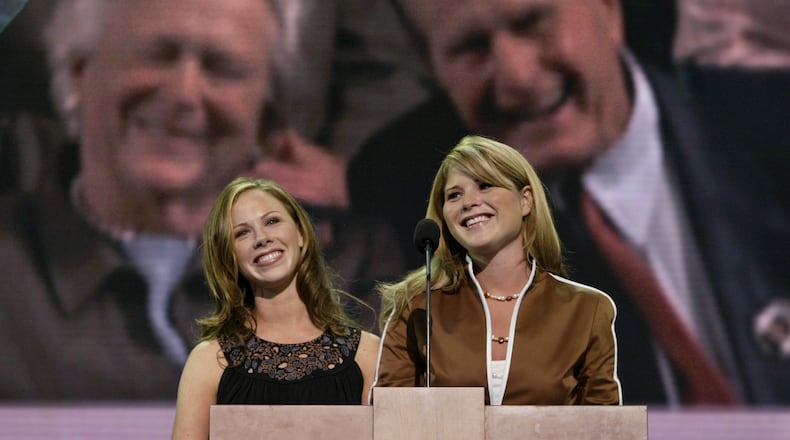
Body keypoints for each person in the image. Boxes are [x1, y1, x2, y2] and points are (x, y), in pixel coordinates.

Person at [350, 0, 790, 405]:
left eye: (533, 22)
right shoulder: (405, 200)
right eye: (472, 48)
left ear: (609, 9)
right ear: (432, 66)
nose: (517, 77)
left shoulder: (772, 124)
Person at [0, 0, 401, 401]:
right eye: (155, 55)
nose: (184, 94)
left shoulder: (352, 270)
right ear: (79, 72)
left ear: (267, 110)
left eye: (222, 68)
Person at [375, 135, 621, 405]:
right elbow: (389, 418)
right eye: (454, 195)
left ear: (525, 200)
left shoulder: (587, 309)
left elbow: (605, 426)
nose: (469, 202)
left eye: (485, 185)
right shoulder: (417, 307)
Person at [171, 177, 379, 438]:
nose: (262, 238)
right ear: (229, 257)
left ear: (302, 234)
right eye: (242, 233)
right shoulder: (209, 362)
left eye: (272, 221)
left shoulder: (367, 354)